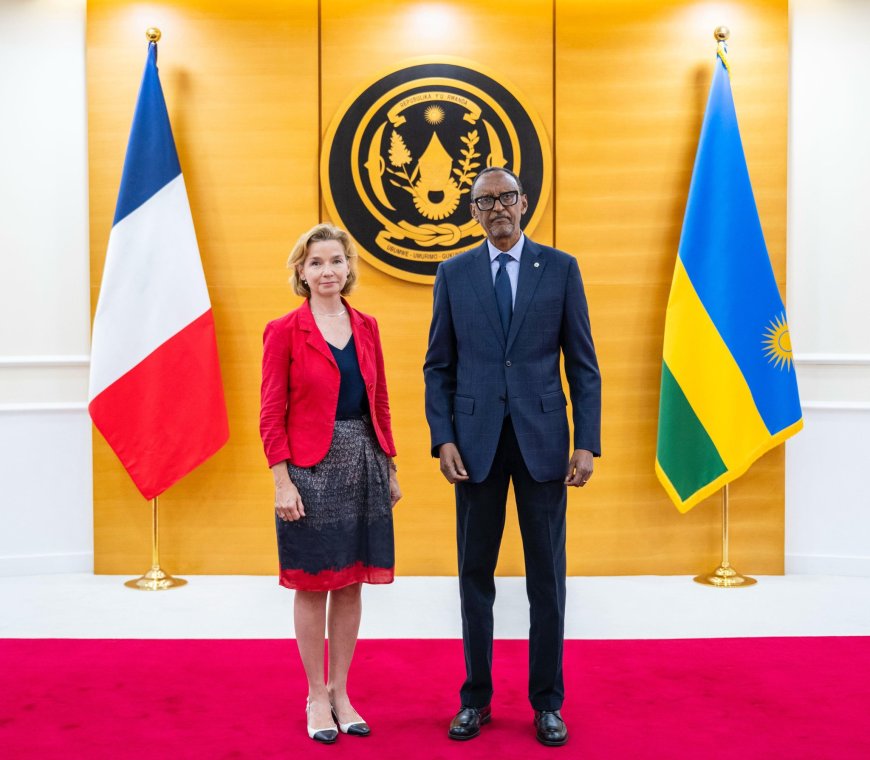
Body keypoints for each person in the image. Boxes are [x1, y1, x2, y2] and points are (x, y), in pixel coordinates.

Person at [423, 167, 601, 747]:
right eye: (485, 201)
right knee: (474, 575)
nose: (497, 207)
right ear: (473, 212)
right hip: (473, 448)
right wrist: (443, 438)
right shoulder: (453, 274)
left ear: (524, 203)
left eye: (506, 197)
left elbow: (583, 366)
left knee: (546, 579)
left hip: (543, 444)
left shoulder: (562, 269)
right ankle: (475, 699)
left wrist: (586, 442)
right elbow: (438, 367)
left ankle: (547, 703)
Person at [260, 222, 401, 744]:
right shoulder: (283, 330)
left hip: (363, 461)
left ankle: (341, 692)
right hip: (308, 472)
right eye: (316, 262)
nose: (327, 271)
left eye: (336, 261)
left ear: (348, 268)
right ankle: (315, 695)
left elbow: (379, 400)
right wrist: (282, 482)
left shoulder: (367, 326)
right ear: (301, 271)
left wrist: (389, 466)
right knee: (311, 582)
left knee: (350, 581)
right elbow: (270, 413)